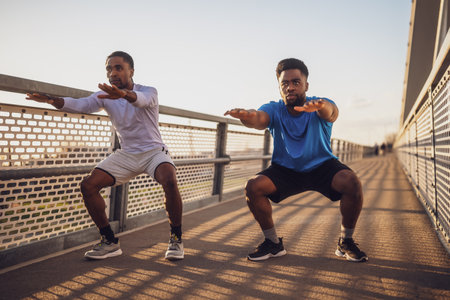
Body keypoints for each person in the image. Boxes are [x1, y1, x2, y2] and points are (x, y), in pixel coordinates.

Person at [26, 51, 184, 261]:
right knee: (88, 186)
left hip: (153, 151)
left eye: (118, 68)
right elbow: (82, 104)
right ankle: (109, 241)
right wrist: (51, 100)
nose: (113, 72)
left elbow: (142, 100)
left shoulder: (149, 91)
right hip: (127, 154)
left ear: (131, 71)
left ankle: (176, 238)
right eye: (109, 68)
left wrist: (124, 95)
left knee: (170, 180)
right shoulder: (105, 95)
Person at [225, 58, 367, 262]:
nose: (290, 87)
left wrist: (320, 107)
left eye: (296, 82)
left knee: (352, 182)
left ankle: (346, 242)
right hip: (286, 170)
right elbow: (259, 119)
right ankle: (273, 243)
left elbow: (332, 113)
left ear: (306, 85)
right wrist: (247, 117)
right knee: (253, 187)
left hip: (322, 166)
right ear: (279, 87)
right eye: (285, 83)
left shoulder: (320, 104)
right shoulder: (274, 108)